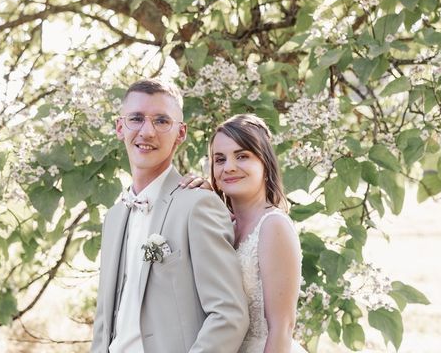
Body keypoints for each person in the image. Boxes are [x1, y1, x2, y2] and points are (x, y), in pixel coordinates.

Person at [91, 79, 249, 353]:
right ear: (120, 127)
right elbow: (104, 323)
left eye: (162, 121)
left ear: (181, 132)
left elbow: (229, 315)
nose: (147, 131)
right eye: (136, 119)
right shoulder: (114, 217)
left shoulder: (198, 205)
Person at [209, 114, 307, 353]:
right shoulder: (223, 226)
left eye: (242, 156)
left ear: (265, 164)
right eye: (219, 159)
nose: (229, 167)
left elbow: (282, 327)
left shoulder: (273, 226)